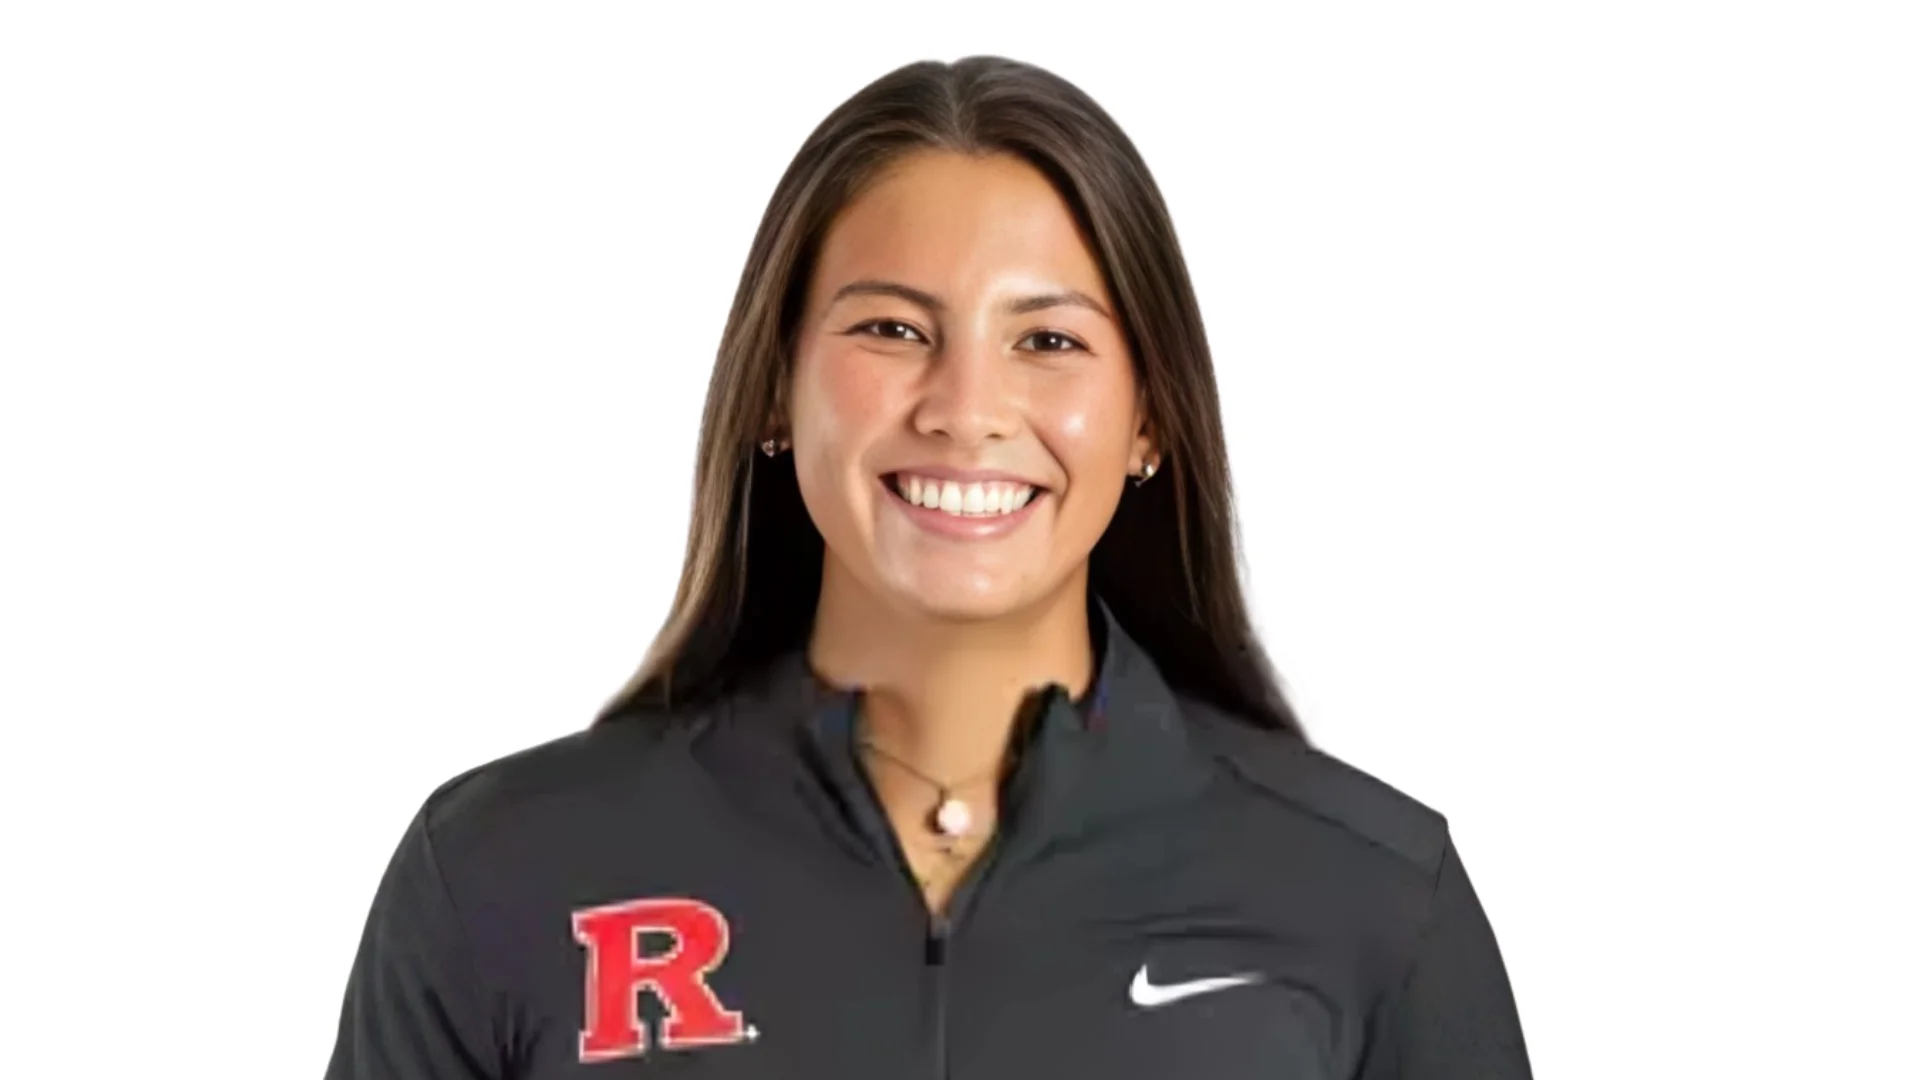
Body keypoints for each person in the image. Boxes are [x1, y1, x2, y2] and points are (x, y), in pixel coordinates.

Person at [323, 55, 1532, 1080]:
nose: (966, 408)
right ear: (776, 389)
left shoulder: (1371, 898)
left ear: (1149, 420)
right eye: (893, 329)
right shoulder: (499, 874)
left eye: (1047, 339)